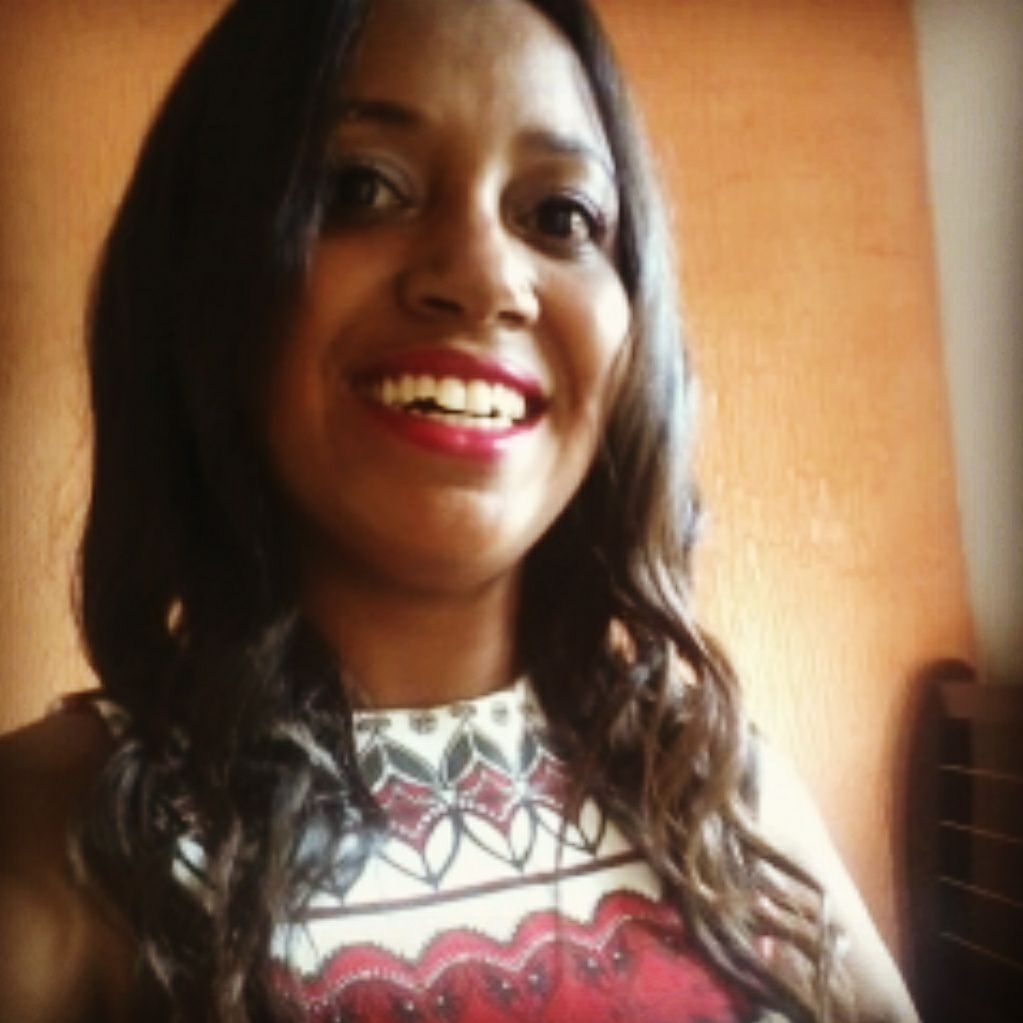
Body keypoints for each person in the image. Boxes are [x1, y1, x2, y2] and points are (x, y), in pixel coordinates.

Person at [0, 0, 920, 1020]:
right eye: (360, 188)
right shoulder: (51, 841)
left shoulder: (711, 785)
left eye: (560, 216)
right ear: (204, 271)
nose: (484, 278)